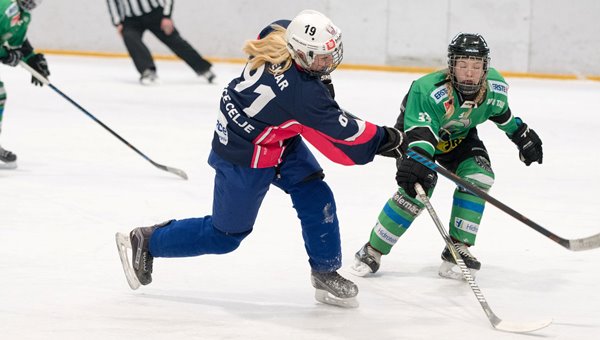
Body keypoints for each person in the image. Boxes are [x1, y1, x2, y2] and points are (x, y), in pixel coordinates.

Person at [115, 9, 404, 308]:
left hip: (274, 137)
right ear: (300, 53)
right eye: (320, 57)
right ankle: (148, 241)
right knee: (225, 235)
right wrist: (388, 138)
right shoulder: (302, 95)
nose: (328, 62)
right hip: (243, 153)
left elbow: (271, 32)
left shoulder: (280, 33)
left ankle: (324, 271)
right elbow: (348, 134)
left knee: (315, 192)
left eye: (329, 54)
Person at [351, 33, 543, 280]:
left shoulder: (495, 86)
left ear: (485, 67)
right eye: (462, 65)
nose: (470, 73)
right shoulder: (428, 89)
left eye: (476, 66)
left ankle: (457, 249)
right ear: (451, 66)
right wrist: (420, 160)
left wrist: (520, 134)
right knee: (418, 188)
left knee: (479, 176)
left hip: (459, 139)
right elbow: (421, 133)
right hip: (419, 136)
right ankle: (372, 250)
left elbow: (500, 112)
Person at [106, 0, 216, 85]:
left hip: (155, 14)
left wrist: (166, 16)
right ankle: (147, 70)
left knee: (175, 41)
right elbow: (111, 2)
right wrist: (118, 23)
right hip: (130, 19)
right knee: (129, 37)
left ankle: (204, 68)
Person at [0, 0, 50, 169]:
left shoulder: (23, 16)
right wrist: (5, 54)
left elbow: (18, 45)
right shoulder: (5, 6)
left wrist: (32, 59)